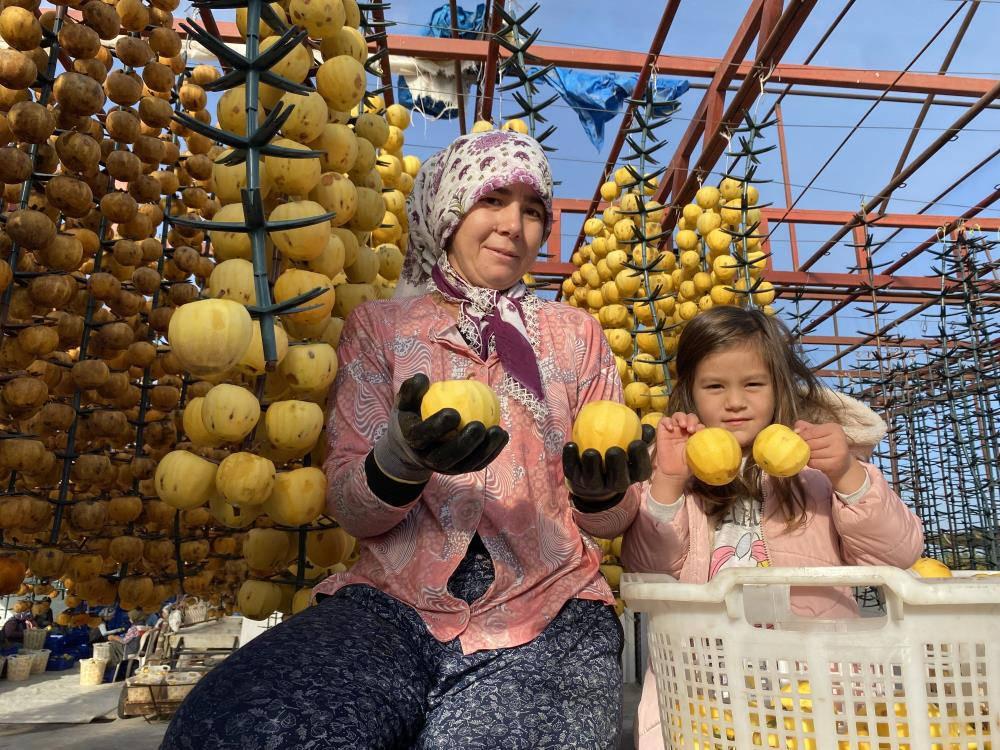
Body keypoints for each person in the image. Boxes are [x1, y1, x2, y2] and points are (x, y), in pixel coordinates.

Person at [161, 130, 654, 749]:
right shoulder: (383, 329)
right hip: (393, 603)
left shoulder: (575, 336)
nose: (514, 225)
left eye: (534, 211)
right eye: (493, 200)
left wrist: (603, 495)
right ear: (449, 209)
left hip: (547, 607)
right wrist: (401, 460)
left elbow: (613, 524)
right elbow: (351, 507)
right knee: (232, 728)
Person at [621, 306, 925, 750]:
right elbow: (649, 567)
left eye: (753, 384)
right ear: (690, 392)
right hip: (705, 694)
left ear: (778, 386)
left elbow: (897, 554)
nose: (735, 401)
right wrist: (667, 481)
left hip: (818, 691)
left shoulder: (817, 470)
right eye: (714, 386)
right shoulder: (677, 468)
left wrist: (847, 475)